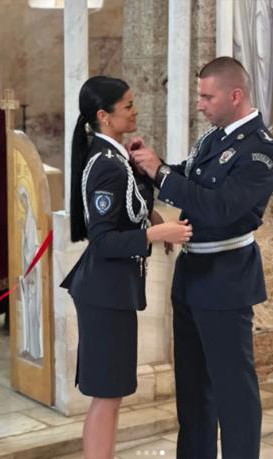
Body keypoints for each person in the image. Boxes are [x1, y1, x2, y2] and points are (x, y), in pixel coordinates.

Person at [130, 57, 273, 458]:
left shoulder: (260, 151)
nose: (200, 104)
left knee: (234, 391)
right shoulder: (215, 138)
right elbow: (191, 177)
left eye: (207, 96)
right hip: (192, 274)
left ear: (235, 95)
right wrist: (150, 167)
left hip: (226, 278)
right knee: (193, 390)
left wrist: (162, 174)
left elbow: (220, 208)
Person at [60, 76, 193, 459]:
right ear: (104, 115)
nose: (136, 111)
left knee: (113, 392)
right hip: (104, 293)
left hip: (114, 291)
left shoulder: (116, 157)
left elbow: (127, 208)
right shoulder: (106, 165)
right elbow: (102, 241)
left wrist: (152, 216)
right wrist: (157, 232)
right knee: (107, 394)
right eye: (128, 106)